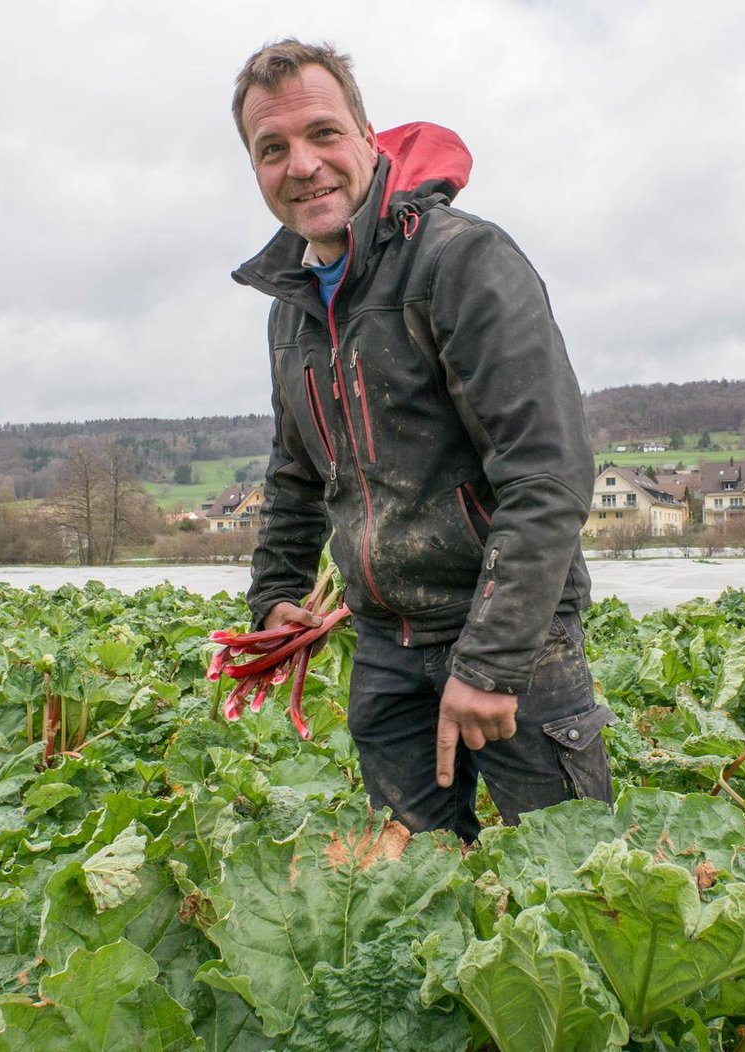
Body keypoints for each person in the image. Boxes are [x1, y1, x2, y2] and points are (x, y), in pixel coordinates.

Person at [230, 39, 613, 841]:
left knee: (570, 900)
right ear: (257, 170)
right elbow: (297, 472)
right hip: (387, 654)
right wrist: (274, 595)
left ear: (369, 137)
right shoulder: (290, 308)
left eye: (322, 135)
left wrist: (490, 663)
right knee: (413, 907)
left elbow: (548, 474)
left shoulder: (463, 261)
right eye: (273, 149)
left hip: (514, 647)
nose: (302, 165)